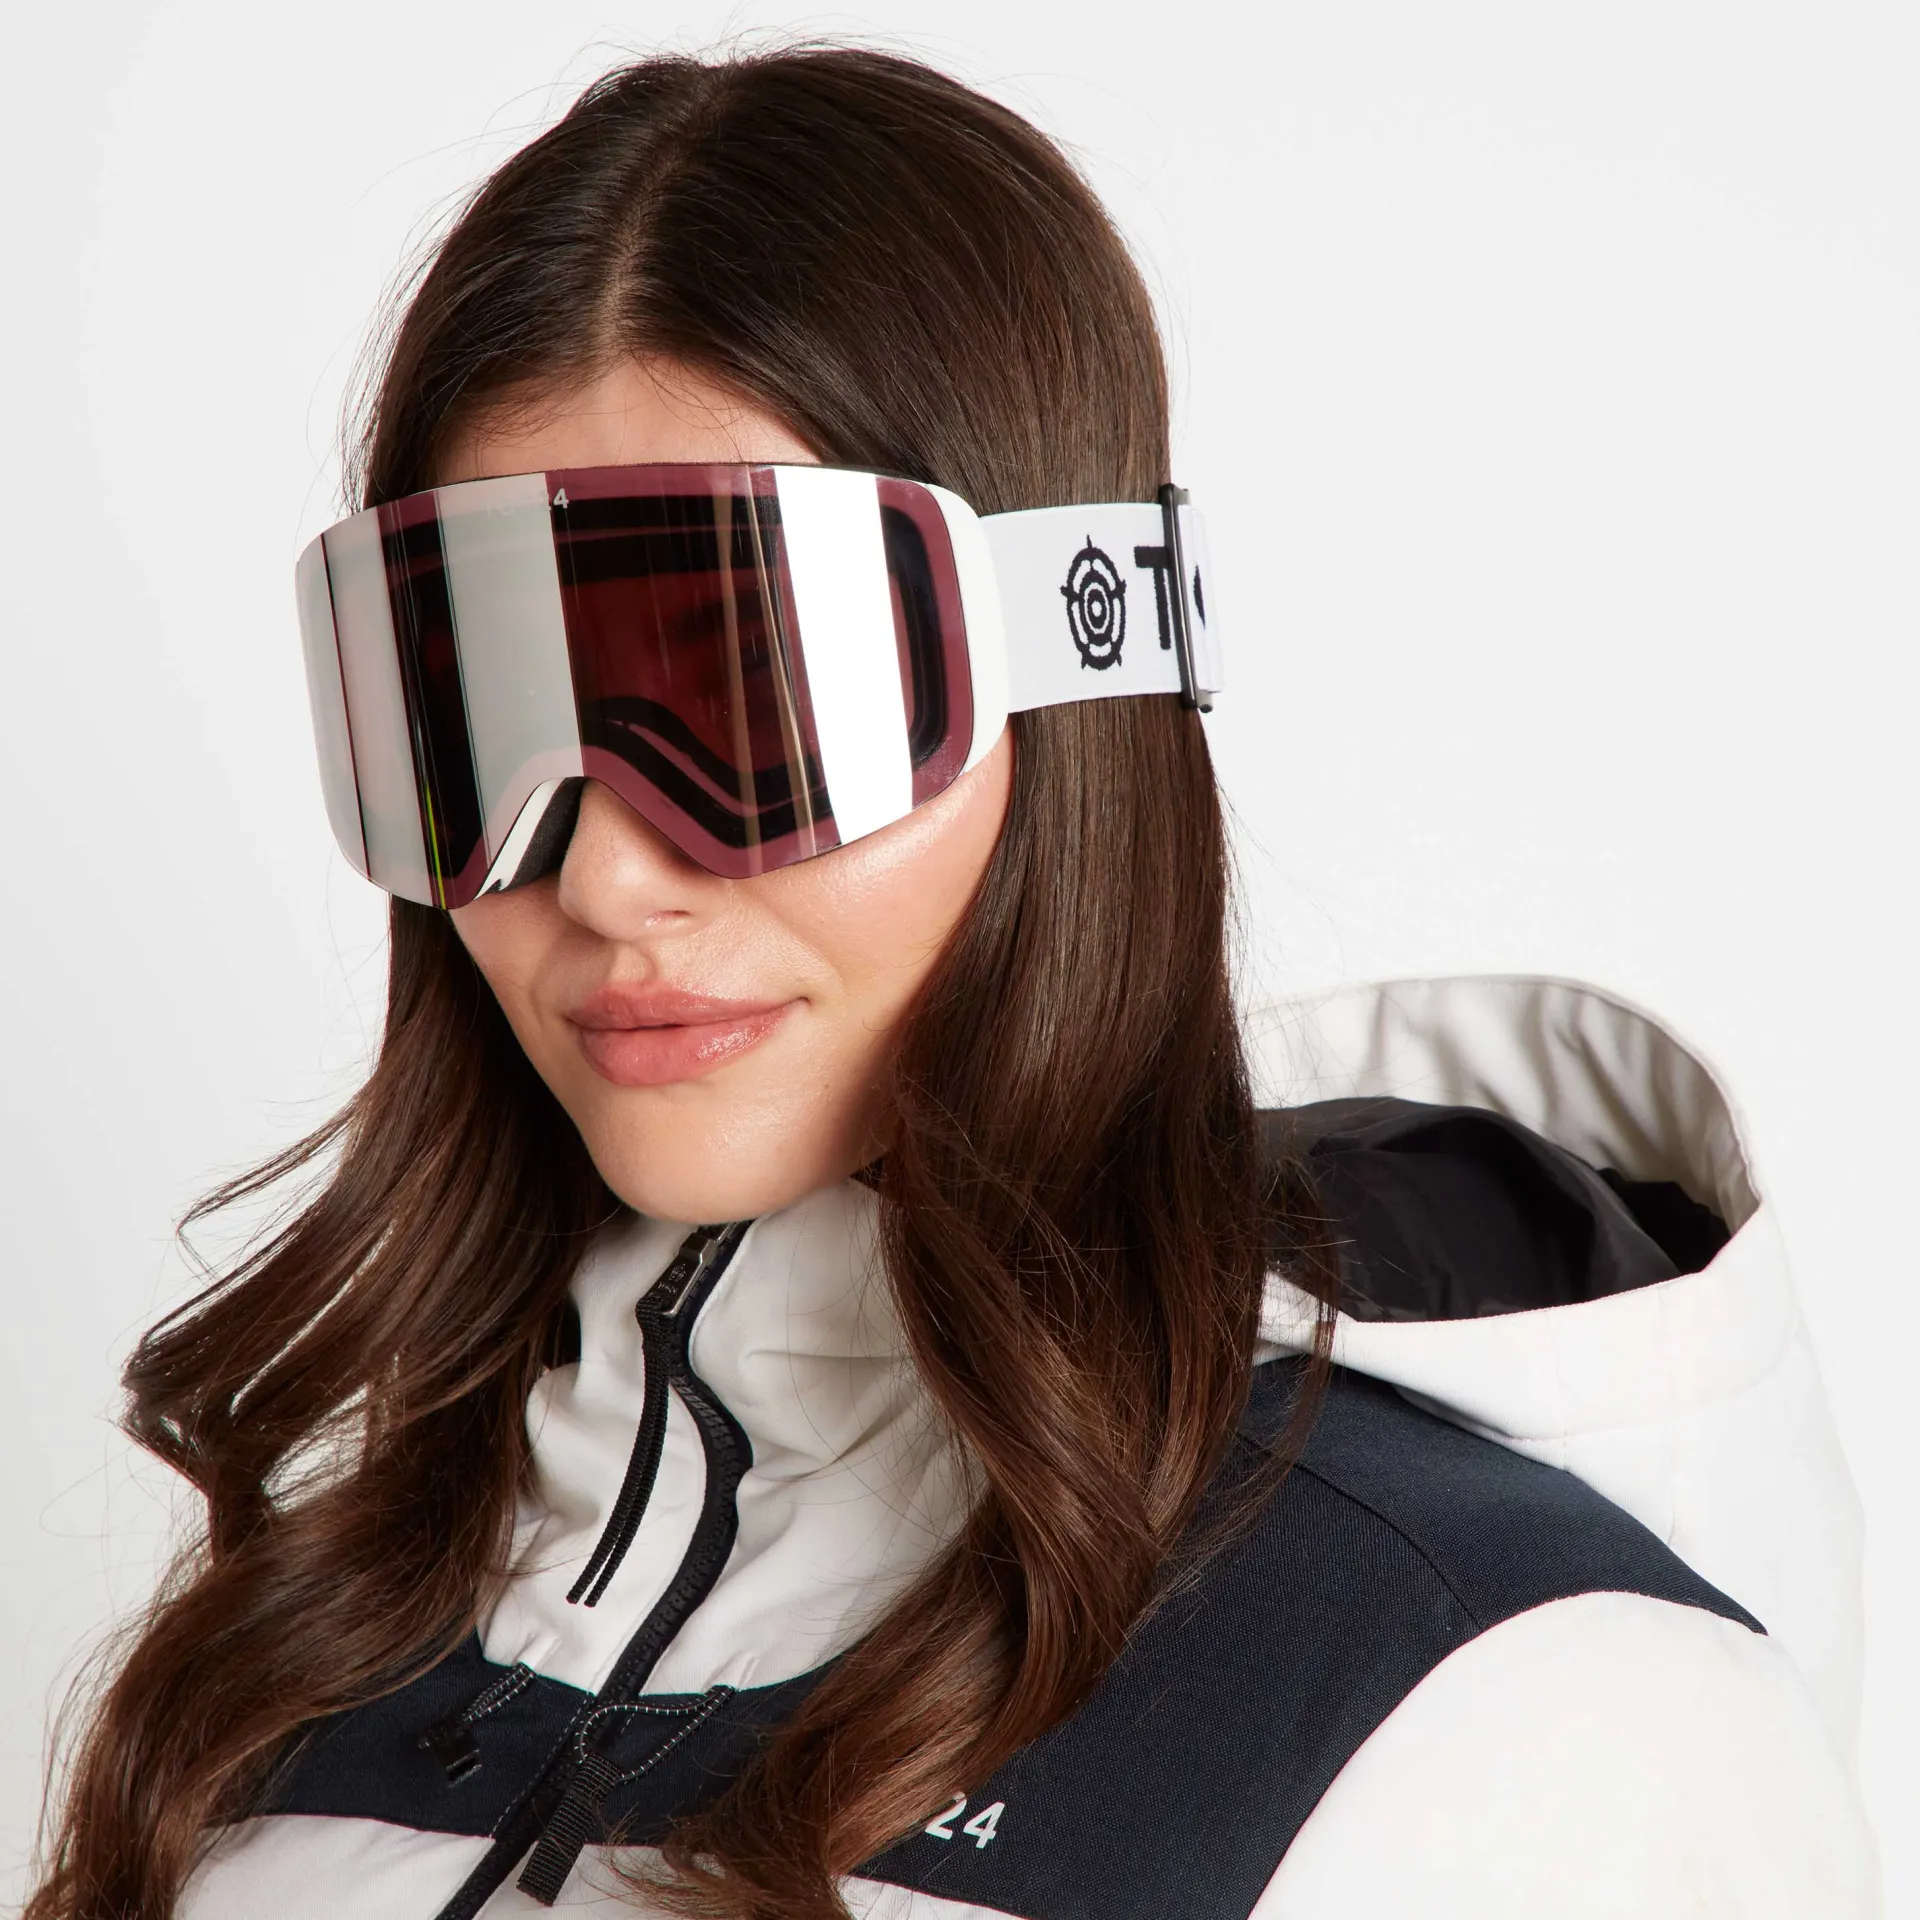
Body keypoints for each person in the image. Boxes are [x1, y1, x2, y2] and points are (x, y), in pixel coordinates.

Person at [29, 43, 1877, 1920]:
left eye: (759, 703)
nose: (601, 875)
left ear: (1081, 676)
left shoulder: (1509, 1714)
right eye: (479, 722)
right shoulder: (295, 1670)